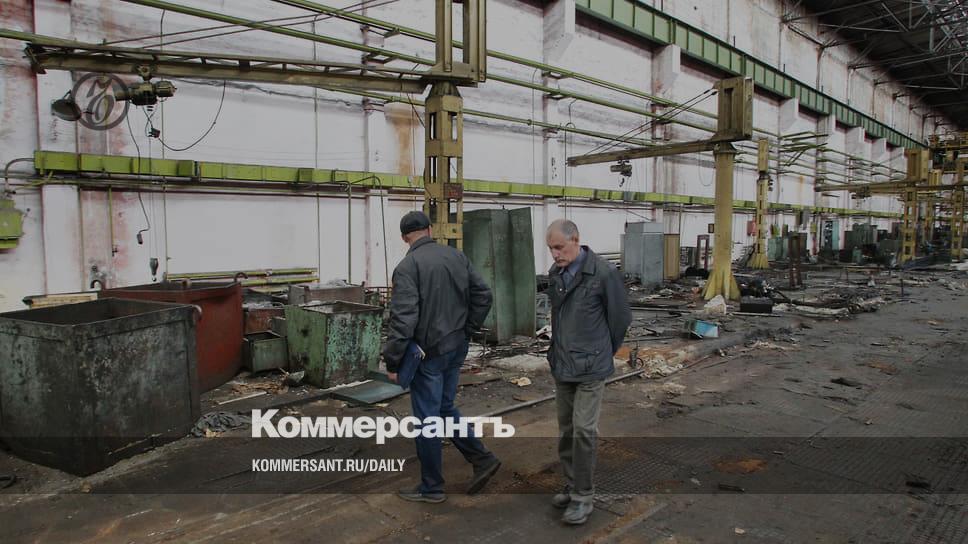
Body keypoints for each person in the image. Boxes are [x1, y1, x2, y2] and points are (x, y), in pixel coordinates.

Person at [383, 210, 501, 503]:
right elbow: (483, 295)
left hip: (429, 355)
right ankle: (482, 458)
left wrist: (393, 361)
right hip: (456, 347)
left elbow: (403, 320)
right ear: (430, 230)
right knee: (445, 408)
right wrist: (467, 329)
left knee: (427, 420)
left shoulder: (407, 267)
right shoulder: (456, 257)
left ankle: (432, 487)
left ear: (404, 238)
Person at [544, 219, 631, 525]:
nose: (555, 254)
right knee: (567, 430)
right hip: (563, 365)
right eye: (551, 249)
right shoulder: (556, 274)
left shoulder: (603, 274)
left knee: (583, 430)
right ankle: (572, 485)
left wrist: (601, 352)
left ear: (576, 240)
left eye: (559, 247)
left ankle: (583, 496)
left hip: (591, 368)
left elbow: (620, 320)